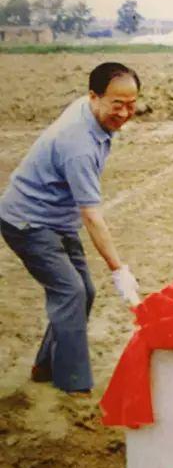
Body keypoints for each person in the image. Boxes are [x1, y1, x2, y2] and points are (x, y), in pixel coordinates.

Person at [0, 62, 142, 394]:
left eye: (131, 104)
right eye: (116, 104)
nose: (124, 113)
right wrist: (119, 270)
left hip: (57, 218)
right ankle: (73, 383)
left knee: (84, 292)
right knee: (70, 292)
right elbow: (92, 216)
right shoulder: (78, 145)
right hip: (27, 221)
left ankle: (45, 365)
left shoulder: (88, 112)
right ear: (93, 97)